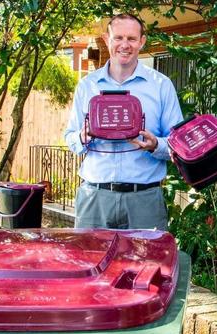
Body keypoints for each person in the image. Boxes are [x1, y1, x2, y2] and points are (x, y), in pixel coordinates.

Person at [64, 14, 183, 230]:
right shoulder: (87, 85)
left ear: (142, 42)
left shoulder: (161, 85)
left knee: (147, 263)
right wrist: (82, 136)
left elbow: (179, 142)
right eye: (118, 38)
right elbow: (70, 138)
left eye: (131, 38)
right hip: (95, 197)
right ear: (106, 39)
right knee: (91, 261)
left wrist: (155, 145)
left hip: (144, 198)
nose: (124, 45)